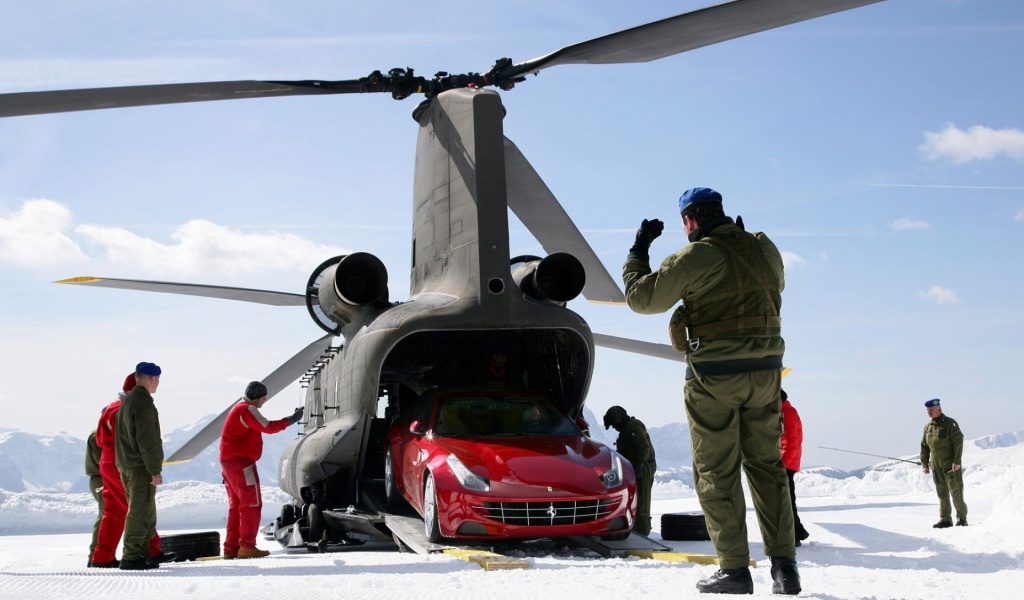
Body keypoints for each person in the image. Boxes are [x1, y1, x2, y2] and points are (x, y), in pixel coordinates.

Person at [621, 187, 798, 595]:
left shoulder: (696, 255)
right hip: (767, 374)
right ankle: (785, 569)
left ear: (689, 221)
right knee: (767, 468)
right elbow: (777, 287)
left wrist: (638, 249)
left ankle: (735, 570)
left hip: (715, 377)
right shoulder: (763, 247)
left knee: (716, 473)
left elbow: (642, 299)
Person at [91, 373, 171, 569]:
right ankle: (148, 551)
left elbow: (99, 440)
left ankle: (102, 555)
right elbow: (136, 438)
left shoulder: (110, 408)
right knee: (139, 506)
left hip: (108, 461)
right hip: (124, 461)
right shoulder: (125, 408)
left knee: (115, 509)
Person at [219, 381, 303, 559]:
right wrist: (291, 419)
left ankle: (231, 548)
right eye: (264, 398)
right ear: (258, 397)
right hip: (242, 464)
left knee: (236, 507)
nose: (264, 402)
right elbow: (267, 427)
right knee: (251, 504)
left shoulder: (237, 409)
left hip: (229, 464)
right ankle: (247, 547)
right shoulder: (247, 409)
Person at [115, 362, 166, 570]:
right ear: (152, 379)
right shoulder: (143, 404)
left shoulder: (127, 402)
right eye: (158, 381)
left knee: (143, 509)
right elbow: (147, 441)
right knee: (140, 511)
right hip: (139, 467)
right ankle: (132, 555)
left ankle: (141, 554)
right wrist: (155, 469)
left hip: (126, 464)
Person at [603, 406, 656, 536]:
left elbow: (644, 448)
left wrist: (638, 466)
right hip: (634, 468)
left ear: (619, 419)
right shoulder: (626, 430)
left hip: (643, 467)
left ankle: (642, 531)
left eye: (614, 424)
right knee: (634, 498)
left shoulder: (633, 426)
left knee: (642, 499)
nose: (615, 427)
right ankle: (635, 527)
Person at [920, 398, 968, 528]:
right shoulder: (928, 427)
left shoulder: (950, 423)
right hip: (936, 465)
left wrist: (957, 461)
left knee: (956, 492)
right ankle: (945, 519)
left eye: (931, 410)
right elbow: (924, 446)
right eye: (927, 410)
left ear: (939, 410)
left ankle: (962, 519)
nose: (928, 412)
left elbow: (958, 442)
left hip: (951, 464)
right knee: (942, 493)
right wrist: (925, 464)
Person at [780, 390, 809, 546]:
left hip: (787, 464)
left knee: (786, 501)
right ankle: (797, 533)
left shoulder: (786, 414)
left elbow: (790, 443)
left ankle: (795, 534)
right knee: (787, 500)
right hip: (789, 463)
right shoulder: (787, 412)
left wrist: (781, 466)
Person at [85, 427, 103, 567]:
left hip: (103, 477)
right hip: (101, 478)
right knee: (106, 515)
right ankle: (95, 555)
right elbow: (102, 460)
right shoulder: (99, 434)